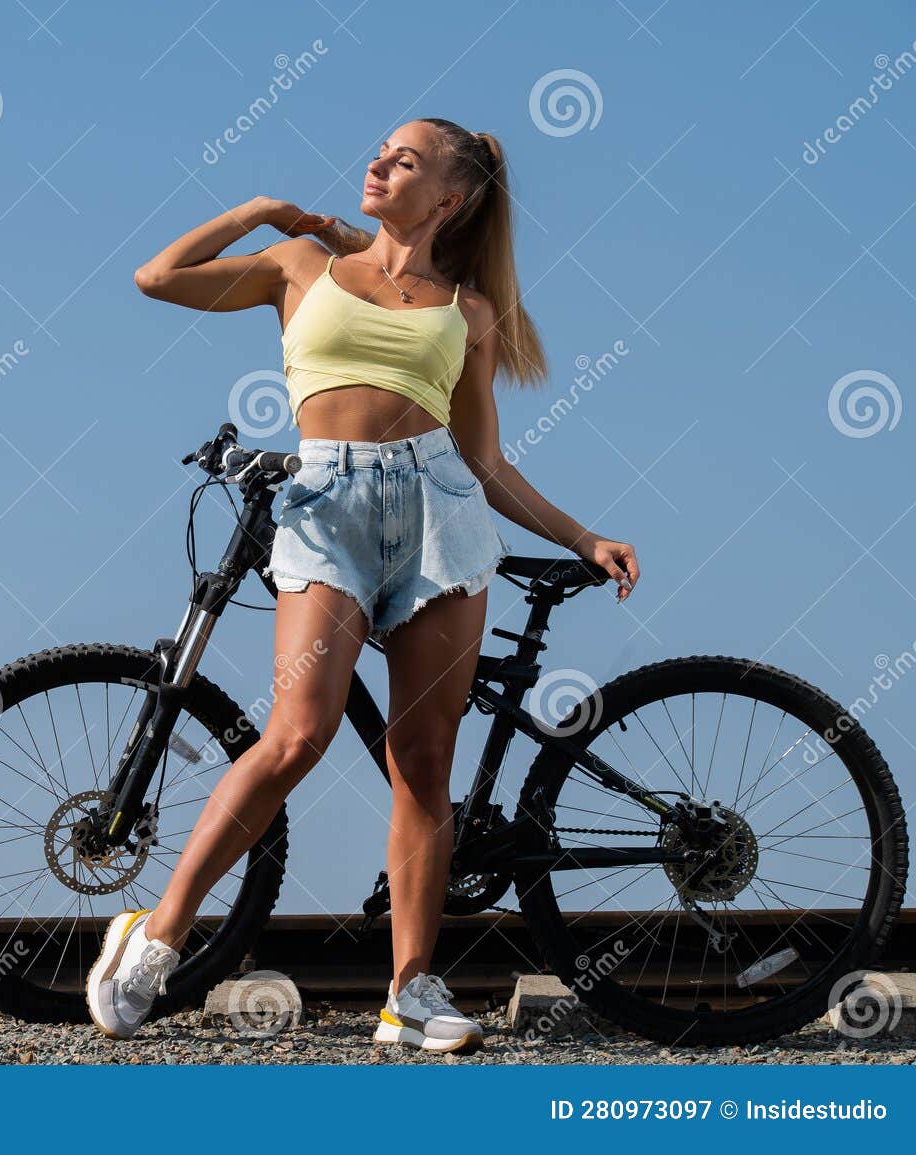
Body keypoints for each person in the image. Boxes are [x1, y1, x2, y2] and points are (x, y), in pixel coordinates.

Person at [86, 118, 641, 1051]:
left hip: (440, 521)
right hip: (326, 510)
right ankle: (158, 934)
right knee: (297, 732)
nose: (379, 164)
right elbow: (158, 277)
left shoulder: (467, 314)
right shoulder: (299, 264)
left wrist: (583, 535)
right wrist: (261, 210)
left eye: (406, 160)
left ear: (449, 200)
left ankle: (411, 990)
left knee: (424, 764)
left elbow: (484, 460)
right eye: (381, 151)